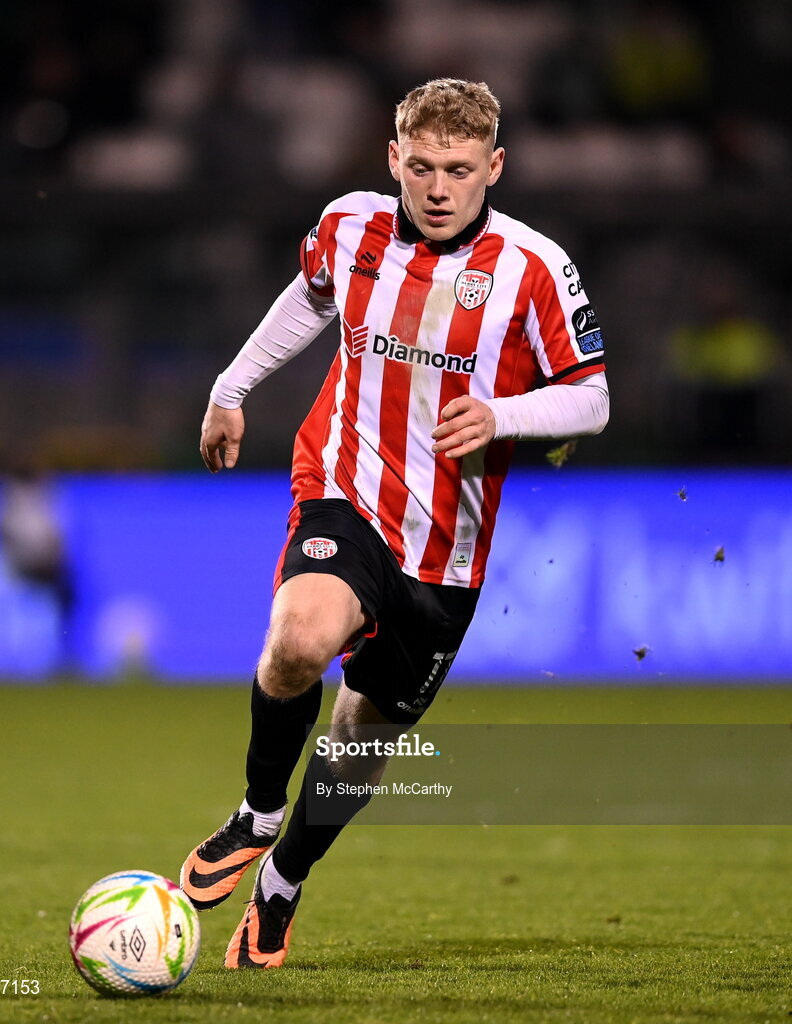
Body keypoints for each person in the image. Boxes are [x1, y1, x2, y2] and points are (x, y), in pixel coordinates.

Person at [180, 78, 609, 969]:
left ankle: (284, 883)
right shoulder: (351, 227)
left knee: (358, 744)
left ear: (494, 166)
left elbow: (593, 399)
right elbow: (311, 295)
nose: (439, 187)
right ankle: (258, 813)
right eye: (422, 167)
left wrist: (505, 416)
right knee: (298, 643)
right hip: (345, 487)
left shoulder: (534, 267)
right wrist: (230, 390)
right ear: (393, 162)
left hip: (445, 551)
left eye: (458, 169)